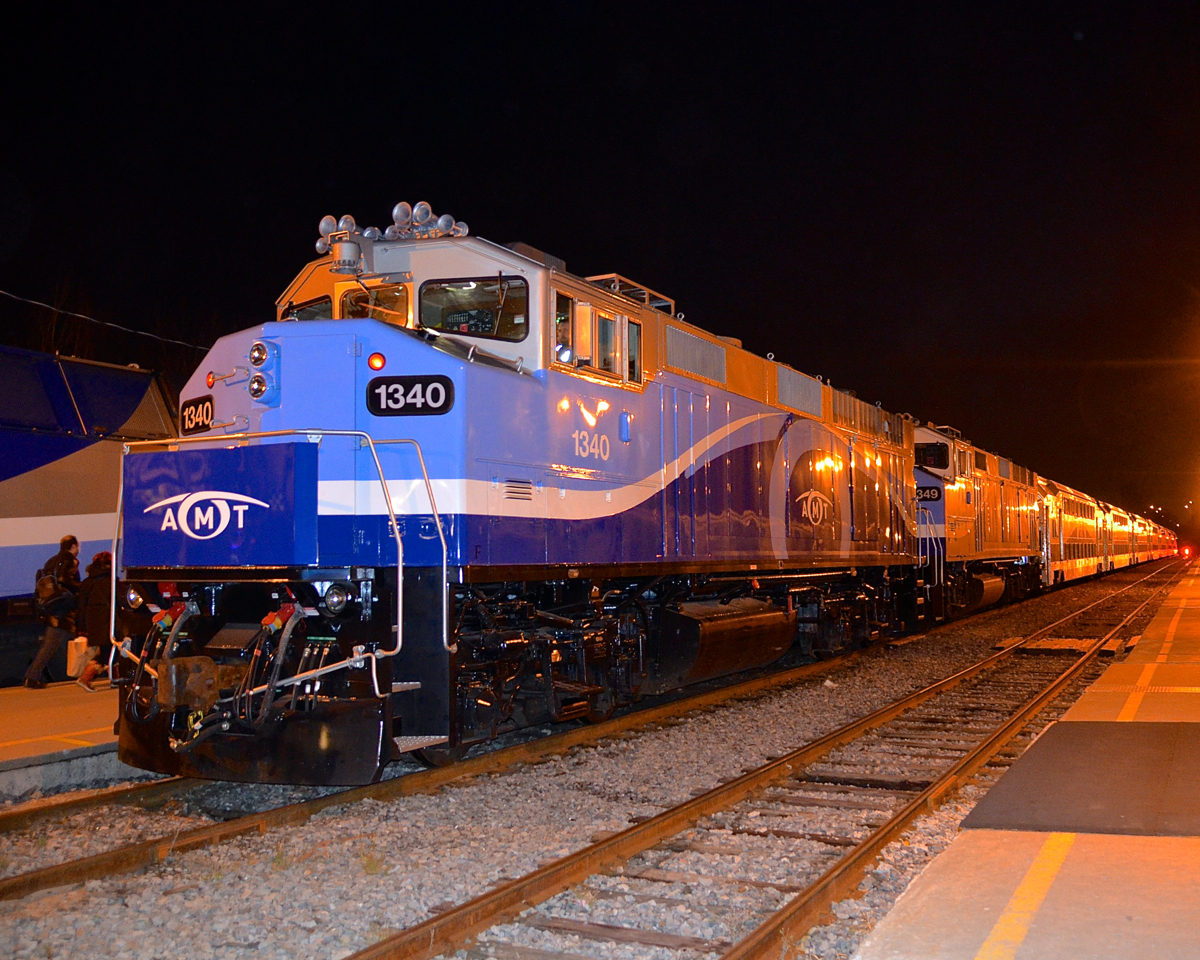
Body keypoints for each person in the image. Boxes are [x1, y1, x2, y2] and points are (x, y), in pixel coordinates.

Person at [24, 535, 81, 689]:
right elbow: (65, 581)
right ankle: (32, 676)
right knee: (51, 645)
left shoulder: (51, 561)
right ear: (74, 546)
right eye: (78, 546)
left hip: (50, 607)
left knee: (59, 643)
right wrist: (80, 589)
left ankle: (82, 674)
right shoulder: (70, 561)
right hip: (63, 609)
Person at [75, 551, 113, 691]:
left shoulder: (87, 583)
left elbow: (81, 606)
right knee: (107, 653)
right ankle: (85, 678)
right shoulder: (111, 582)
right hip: (109, 623)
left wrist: (81, 626)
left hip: (93, 624)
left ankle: (114, 679)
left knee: (107, 651)